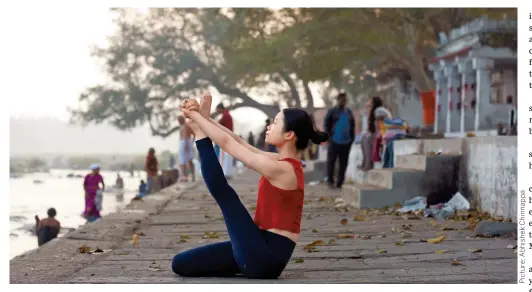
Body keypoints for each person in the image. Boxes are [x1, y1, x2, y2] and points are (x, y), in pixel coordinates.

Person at [172, 94, 328, 279]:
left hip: (265, 258)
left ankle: (200, 135)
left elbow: (227, 144)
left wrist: (195, 120)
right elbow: (238, 142)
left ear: (289, 134)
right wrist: (204, 118)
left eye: (275, 123)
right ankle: (200, 130)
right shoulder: (279, 161)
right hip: (255, 245)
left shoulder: (284, 169)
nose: (269, 126)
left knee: (226, 195)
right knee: (180, 263)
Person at [324, 92, 355, 189]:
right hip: (334, 140)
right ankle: (330, 181)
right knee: (331, 162)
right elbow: (326, 124)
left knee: (344, 162)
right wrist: (328, 137)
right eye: (341, 99)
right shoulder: (332, 111)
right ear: (338, 100)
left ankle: (340, 183)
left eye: (345, 99)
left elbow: (352, 126)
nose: (343, 101)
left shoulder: (349, 112)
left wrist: (351, 139)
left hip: (346, 142)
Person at [216, 102, 234, 179]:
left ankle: (224, 173)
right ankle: (227, 173)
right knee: (226, 156)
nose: (216, 111)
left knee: (224, 156)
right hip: (228, 137)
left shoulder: (225, 116)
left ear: (220, 108)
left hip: (225, 138)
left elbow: (218, 124)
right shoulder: (227, 115)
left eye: (217, 109)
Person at [178, 115, 196, 182]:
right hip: (184, 143)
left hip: (185, 143)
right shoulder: (182, 126)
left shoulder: (186, 125)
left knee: (187, 160)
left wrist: (188, 143)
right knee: (185, 161)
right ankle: (187, 176)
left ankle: (187, 176)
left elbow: (187, 135)